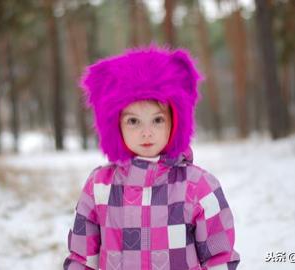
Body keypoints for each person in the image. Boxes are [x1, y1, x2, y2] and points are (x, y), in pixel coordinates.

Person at [63, 46, 240, 270]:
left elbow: (220, 258)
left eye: (157, 120)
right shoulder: (99, 186)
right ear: (115, 125)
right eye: (133, 121)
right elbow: (82, 258)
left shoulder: (198, 187)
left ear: (175, 121)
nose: (146, 132)